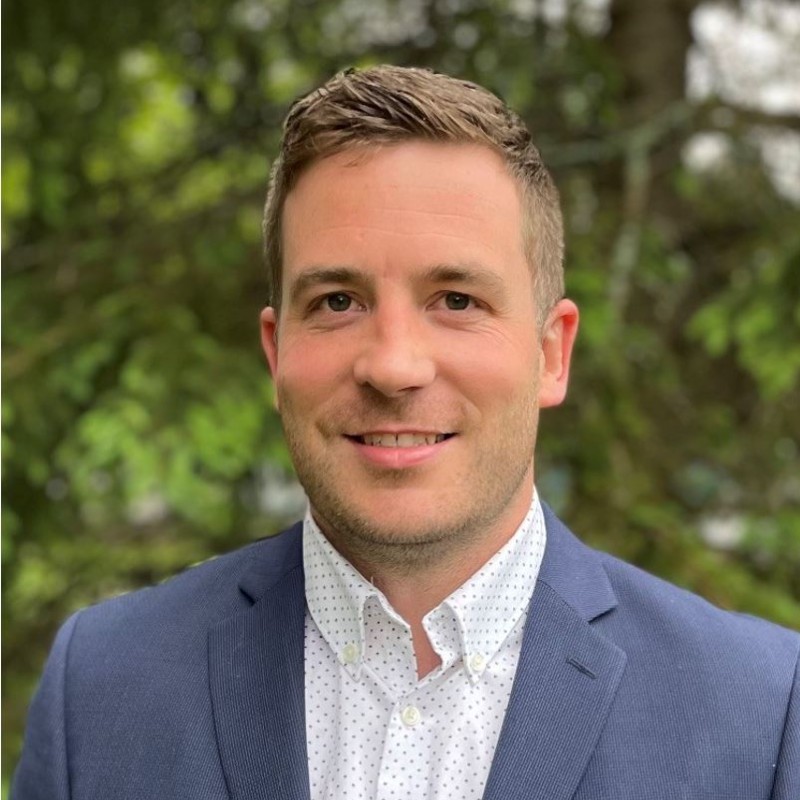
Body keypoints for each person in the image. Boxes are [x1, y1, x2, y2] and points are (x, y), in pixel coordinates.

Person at [13, 65, 799, 800]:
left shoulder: (760, 710)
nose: (393, 365)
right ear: (276, 350)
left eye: (456, 299)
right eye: (337, 302)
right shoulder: (102, 690)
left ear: (551, 354)